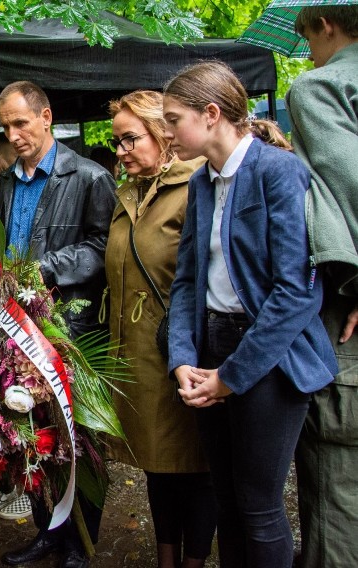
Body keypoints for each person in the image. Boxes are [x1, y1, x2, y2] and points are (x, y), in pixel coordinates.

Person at [162, 61, 337, 568]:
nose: (167, 131)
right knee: (227, 500)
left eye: (174, 119)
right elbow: (188, 282)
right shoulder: (200, 182)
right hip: (209, 349)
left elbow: (297, 293)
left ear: (211, 114)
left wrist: (230, 378)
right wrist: (183, 359)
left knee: (260, 508)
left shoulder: (278, 171)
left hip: (268, 359)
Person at [0, 80, 117, 568]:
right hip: (14, 328)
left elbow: (103, 248)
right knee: (30, 433)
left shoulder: (87, 177)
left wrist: (43, 270)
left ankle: (81, 546)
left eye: (20, 122)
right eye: (5, 126)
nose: (13, 134)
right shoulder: (4, 183)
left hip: (69, 329)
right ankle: (47, 532)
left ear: (46, 117)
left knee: (79, 441)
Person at [102, 90, 214, 568]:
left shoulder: (197, 188)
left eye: (130, 139)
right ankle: (166, 555)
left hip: (184, 350)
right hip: (135, 351)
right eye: (117, 143)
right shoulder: (127, 193)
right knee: (156, 461)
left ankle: (194, 559)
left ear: (164, 135)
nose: (122, 151)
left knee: (194, 464)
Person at [286, 7, 358, 567]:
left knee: (337, 487)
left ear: (326, 25)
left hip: (347, 319)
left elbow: (349, 180)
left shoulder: (319, 88)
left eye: (306, 35)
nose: (306, 47)